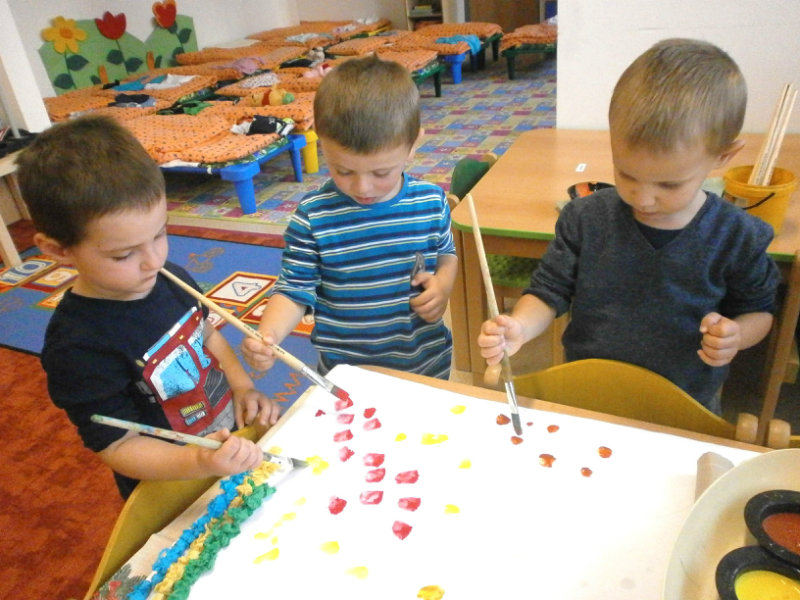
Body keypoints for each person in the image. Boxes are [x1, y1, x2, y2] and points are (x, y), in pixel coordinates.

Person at [478, 38, 781, 413]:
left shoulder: (737, 235)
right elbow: (548, 290)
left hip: (683, 403)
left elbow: (759, 311)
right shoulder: (585, 219)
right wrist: (520, 326)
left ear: (723, 156)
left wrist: (737, 336)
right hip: (587, 392)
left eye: (668, 185)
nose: (643, 198)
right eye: (627, 174)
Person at [16, 115, 281, 498]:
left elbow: (205, 333)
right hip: (169, 484)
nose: (154, 261)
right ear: (58, 250)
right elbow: (118, 444)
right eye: (123, 255)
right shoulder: (76, 346)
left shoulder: (168, 275)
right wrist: (198, 461)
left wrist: (242, 386)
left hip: (229, 445)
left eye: (160, 234)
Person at [242, 55, 457, 380]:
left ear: (414, 145)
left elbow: (447, 254)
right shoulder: (313, 217)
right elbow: (293, 289)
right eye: (343, 170)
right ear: (322, 142)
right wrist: (268, 335)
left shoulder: (431, 201)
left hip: (424, 365)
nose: (362, 187)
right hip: (346, 376)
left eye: (381, 172)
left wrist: (443, 285)